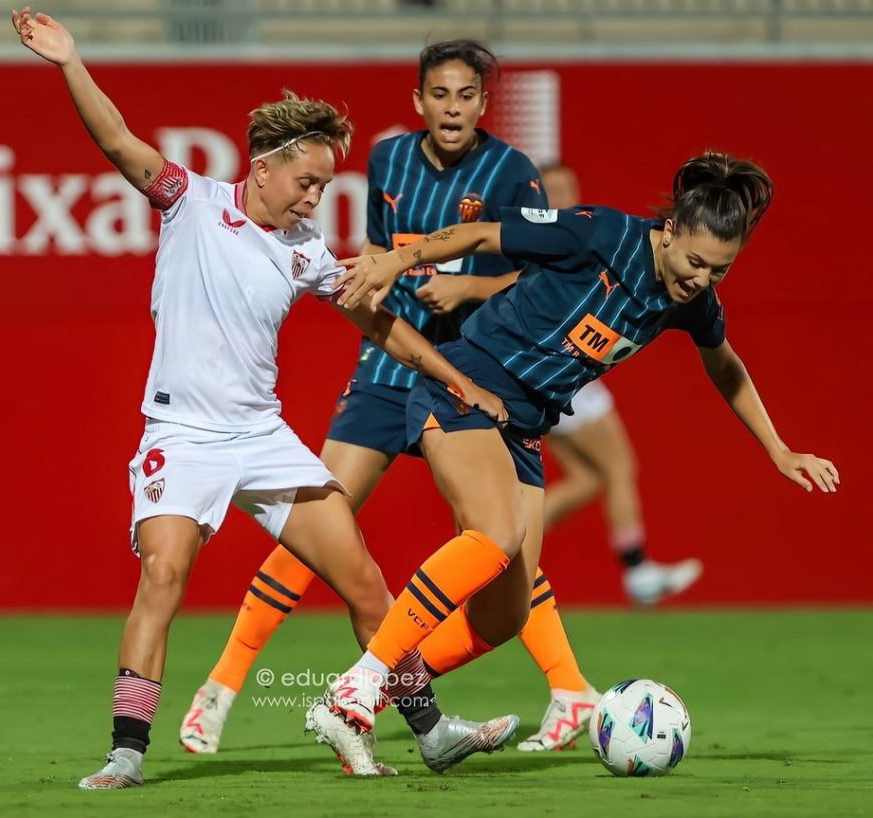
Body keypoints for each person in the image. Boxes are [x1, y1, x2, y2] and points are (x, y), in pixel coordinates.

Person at [10, 7, 520, 788]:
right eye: (307, 181)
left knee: (364, 583)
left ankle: (432, 729)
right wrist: (69, 60)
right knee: (163, 576)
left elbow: (383, 328)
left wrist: (459, 381)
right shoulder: (188, 199)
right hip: (180, 435)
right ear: (263, 166)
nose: (315, 198)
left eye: (325, 184)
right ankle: (125, 754)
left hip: (261, 439)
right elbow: (117, 140)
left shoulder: (305, 251)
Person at [317, 152, 839, 757]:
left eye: (718, 272)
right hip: (466, 384)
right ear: (669, 232)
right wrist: (396, 258)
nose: (700, 279)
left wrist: (777, 449)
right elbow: (484, 233)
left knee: (504, 618)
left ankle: (354, 703)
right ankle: (364, 678)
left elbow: (726, 367)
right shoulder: (599, 231)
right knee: (494, 533)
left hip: (525, 425)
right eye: (694, 261)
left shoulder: (690, 300)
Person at [179, 40, 600, 759]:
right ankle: (218, 689)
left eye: (466, 96)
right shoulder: (389, 161)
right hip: (387, 366)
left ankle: (566, 686)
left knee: (497, 541)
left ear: (482, 104)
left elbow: (542, 280)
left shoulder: (513, 173)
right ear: (419, 100)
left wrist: (468, 288)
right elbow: (379, 253)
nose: (453, 109)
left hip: (473, 371)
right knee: (316, 511)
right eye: (440, 95)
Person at [539, 163, 702, 607]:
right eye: (555, 190)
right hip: (569, 370)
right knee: (619, 467)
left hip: (559, 372)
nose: (567, 197)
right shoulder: (552, 239)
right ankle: (637, 570)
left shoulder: (581, 233)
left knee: (589, 478)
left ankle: (506, 539)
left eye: (570, 187)